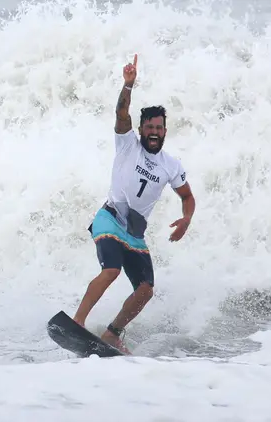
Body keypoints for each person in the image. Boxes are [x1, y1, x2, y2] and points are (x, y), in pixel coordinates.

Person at [72, 53, 196, 354]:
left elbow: (187, 196)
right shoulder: (127, 143)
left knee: (145, 290)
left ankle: (113, 333)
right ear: (141, 129)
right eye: (149, 127)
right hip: (110, 218)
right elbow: (121, 114)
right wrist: (128, 86)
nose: (154, 133)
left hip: (134, 233)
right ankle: (77, 322)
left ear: (165, 131)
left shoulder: (170, 164)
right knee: (111, 270)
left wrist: (186, 219)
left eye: (159, 128)